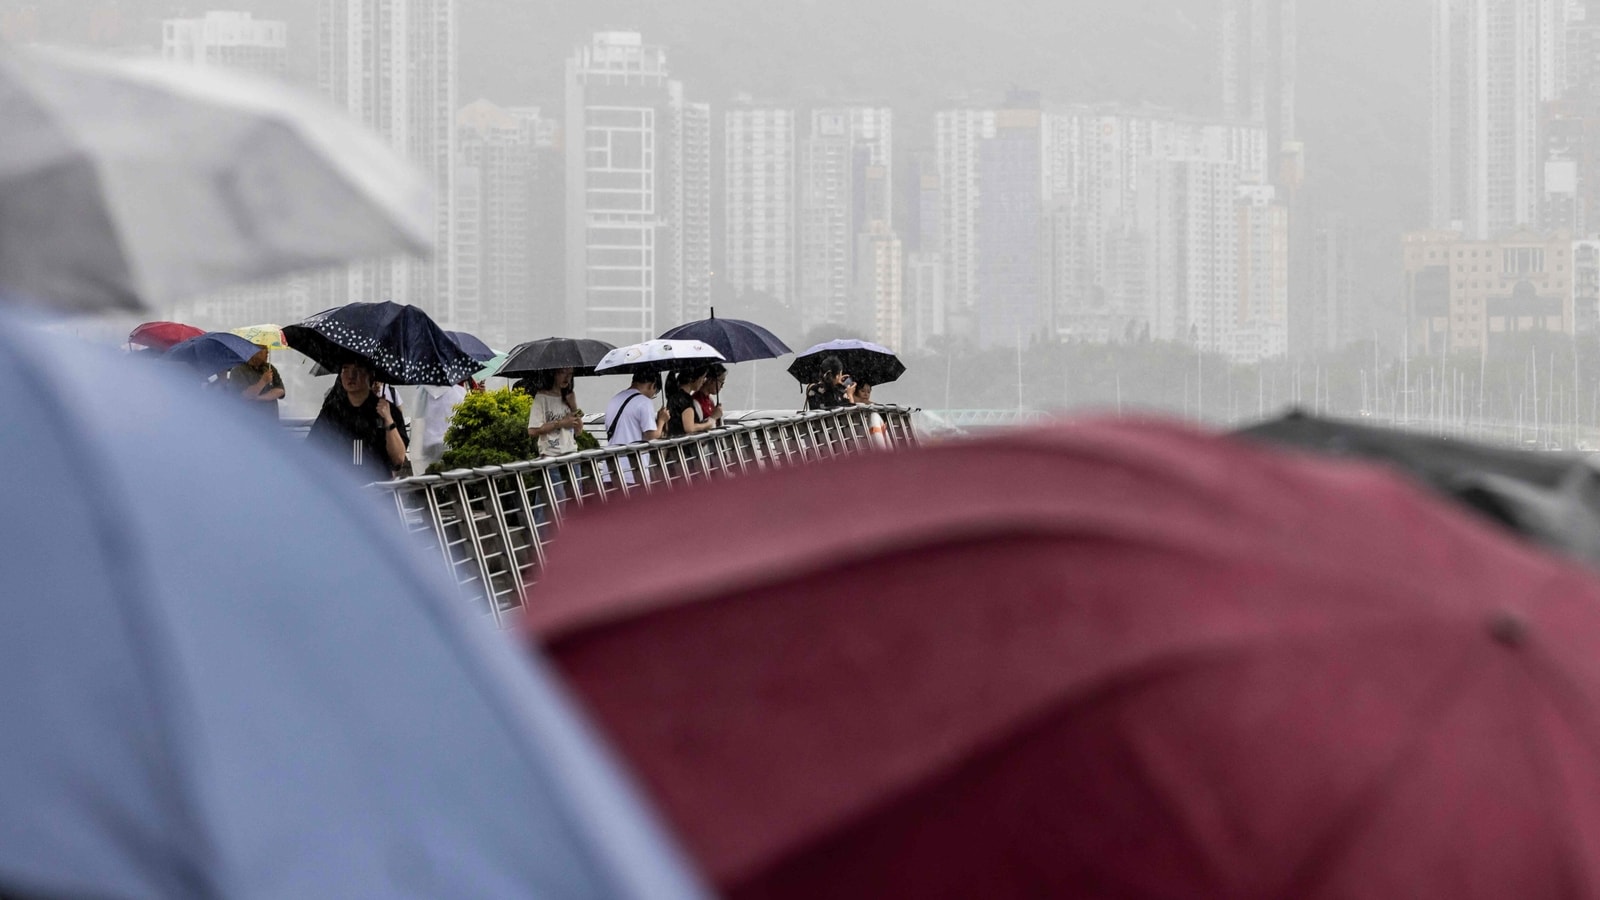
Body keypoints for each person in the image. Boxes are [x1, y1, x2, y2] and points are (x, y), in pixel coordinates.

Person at [307, 359, 409, 483]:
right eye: (345, 369)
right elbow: (311, 448)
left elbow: (398, 460)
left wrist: (388, 420)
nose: (351, 375)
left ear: (370, 374)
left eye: (358, 369)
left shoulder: (388, 410)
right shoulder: (332, 411)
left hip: (378, 487)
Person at [604, 372, 664, 486]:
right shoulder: (644, 402)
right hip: (634, 470)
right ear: (652, 385)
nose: (652, 396)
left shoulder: (614, 399)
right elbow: (651, 436)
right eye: (654, 393)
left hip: (610, 469)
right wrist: (662, 421)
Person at [526, 368, 583, 459]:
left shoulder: (569, 397)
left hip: (571, 452)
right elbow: (532, 431)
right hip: (550, 455)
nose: (567, 377)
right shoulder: (542, 398)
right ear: (553, 374)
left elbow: (579, 430)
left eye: (570, 374)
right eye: (563, 372)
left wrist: (574, 407)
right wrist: (561, 423)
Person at [416, 380, 470, 469]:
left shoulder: (422, 392)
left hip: (428, 445)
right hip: (452, 445)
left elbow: (418, 417)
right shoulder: (459, 392)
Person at [228, 347, 285, 420]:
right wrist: (263, 381)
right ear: (254, 351)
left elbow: (280, 390)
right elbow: (245, 395)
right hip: (249, 422)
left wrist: (259, 398)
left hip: (270, 421)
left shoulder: (269, 368)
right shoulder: (238, 370)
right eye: (264, 348)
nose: (267, 352)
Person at [666, 367, 721, 437]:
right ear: (694, 378)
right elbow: (690, 428)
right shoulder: (685, 400)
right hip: (685, 444)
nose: (704, 381)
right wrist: (708, 424)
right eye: (703, 377)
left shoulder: (674, 396)